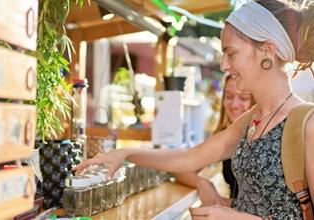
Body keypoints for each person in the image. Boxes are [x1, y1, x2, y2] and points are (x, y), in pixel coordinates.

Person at [73, 0, 314, 219]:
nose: (223, 64)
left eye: (231, 53)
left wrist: (235, 217)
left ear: (268, 51)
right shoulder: (253, 120)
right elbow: (190, 158)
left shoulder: (307, 124)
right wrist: (126, 154)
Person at [173, 74, 255, 207]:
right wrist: (203, 183)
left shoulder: (267, 137)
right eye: (228, 96)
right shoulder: (224, 136)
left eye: (244, 98)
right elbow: (180, 168)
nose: (234, 105)